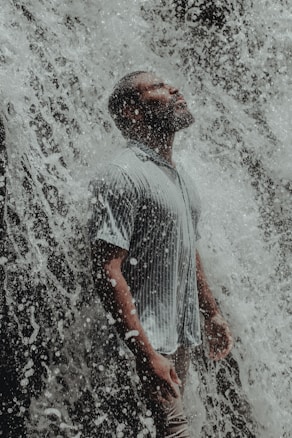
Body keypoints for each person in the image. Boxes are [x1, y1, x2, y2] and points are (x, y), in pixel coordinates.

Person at [88, 71, 233, 437]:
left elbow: (188, 246)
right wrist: (146, 354)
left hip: (175, 341)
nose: (173, 89)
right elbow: (107, 269)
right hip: (144, 345)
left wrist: (211, 313)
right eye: (156, 87)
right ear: (132, 112)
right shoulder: (123, 174)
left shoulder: (177, 176)